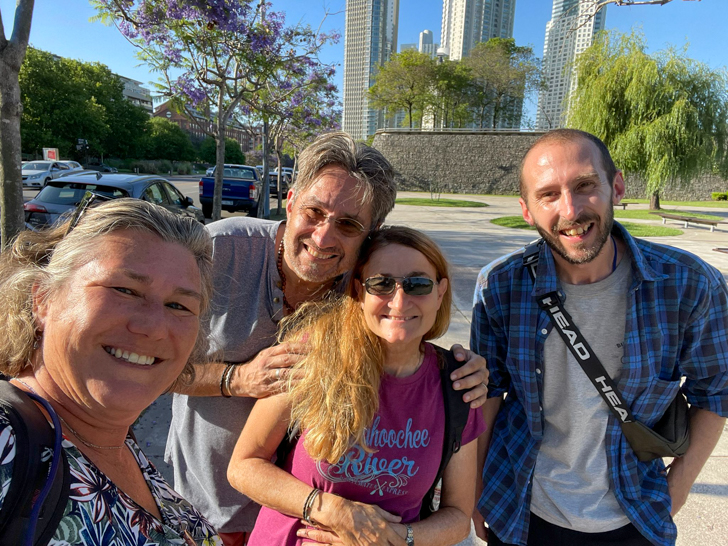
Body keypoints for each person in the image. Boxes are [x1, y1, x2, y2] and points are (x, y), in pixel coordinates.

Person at [166, 132, 490, 545]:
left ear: (372, 232)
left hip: (299, 512)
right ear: (289, 199)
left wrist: (457, 372)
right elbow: (149, 364)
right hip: (204, 502)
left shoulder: (364, 291)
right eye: (313, 211)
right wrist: (236, 379)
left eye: (348, 224)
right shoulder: (217, 251)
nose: (323, 237)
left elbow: (406, 339)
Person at [471, 129, 728, 546]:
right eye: (549, 195)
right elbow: (489, 393)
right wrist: (478, 491)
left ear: (617, 187)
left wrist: (676, 489)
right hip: (521, 508)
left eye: (585, 186)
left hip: (636, 515)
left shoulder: (689, 284)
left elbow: (716, 391)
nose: (570, 210)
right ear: (527, 210)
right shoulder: (501, 286)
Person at [228, 226, 486, 546]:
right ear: (359, 292)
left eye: (417, 284)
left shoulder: (458, 384)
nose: (400, 300)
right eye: (382, 283)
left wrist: (392, 539)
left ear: (440, 292)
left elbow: (459, 515)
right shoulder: (313, 354)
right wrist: (332, 510)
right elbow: (243, 466)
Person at [0, 198, 222, 545]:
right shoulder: (6, 443)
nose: (153, 327)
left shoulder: (115, 445)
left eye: (178, 305)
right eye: (125, 290)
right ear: (42, 299)